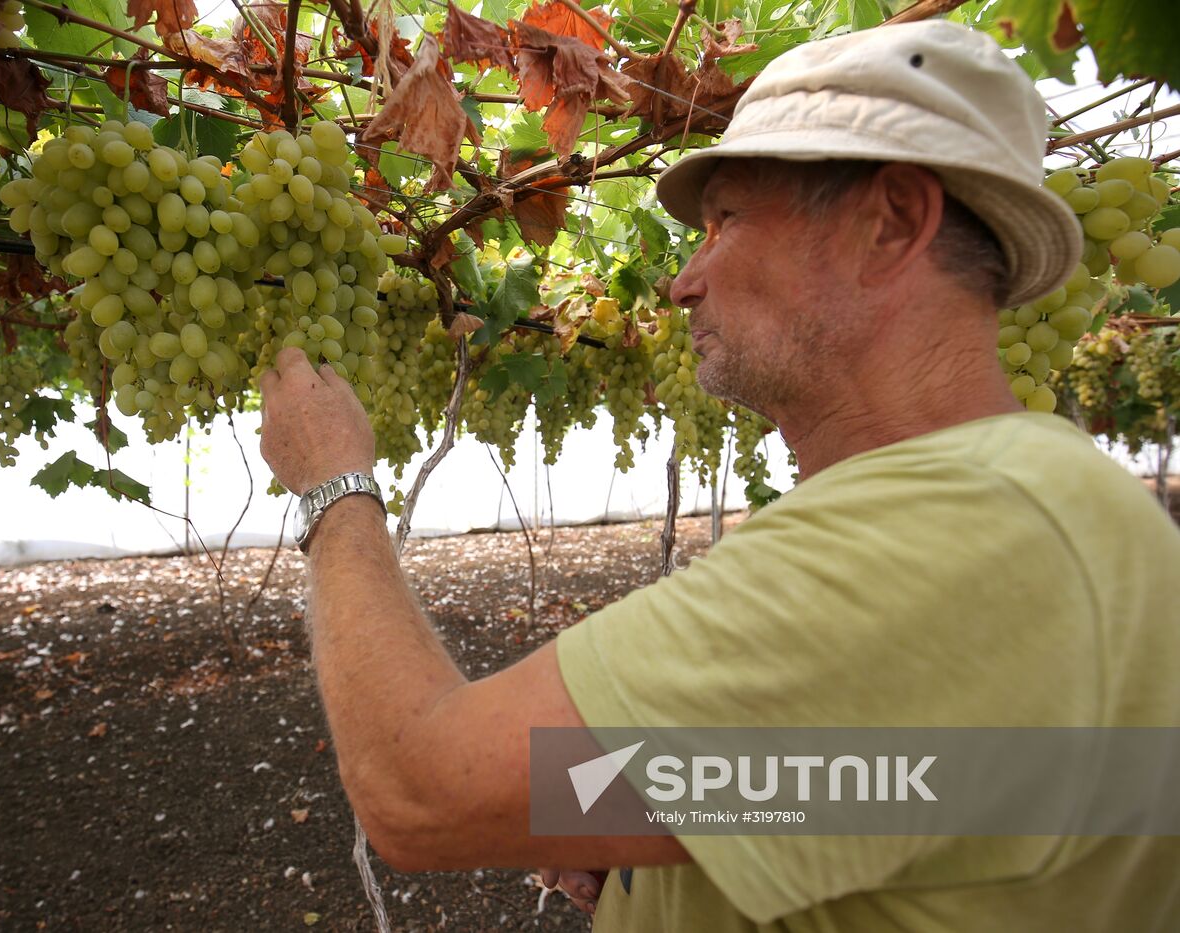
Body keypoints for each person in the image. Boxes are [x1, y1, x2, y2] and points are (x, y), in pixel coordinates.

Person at [258, 19, 1180, 931]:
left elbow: (419, 790)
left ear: (891, 224)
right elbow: (890, 782)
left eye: (725, 220)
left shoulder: (944, 535)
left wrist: (334, 487)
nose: (681, 280)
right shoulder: (1035, 510)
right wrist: (641, 826)